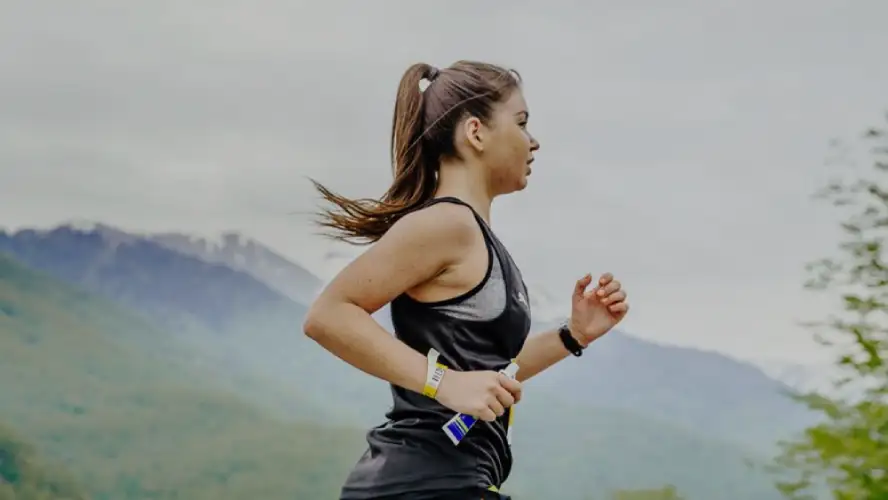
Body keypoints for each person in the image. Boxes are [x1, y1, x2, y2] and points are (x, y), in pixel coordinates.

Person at [303, 60, 630, 500]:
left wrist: (574, 336)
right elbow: (328, 315)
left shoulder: (475, 235)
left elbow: (486, 377)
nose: (534, 142)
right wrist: (443, 383)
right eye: (521, 123)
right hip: (421, 484)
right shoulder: (447, 224)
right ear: (475, 132)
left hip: (451, 482)